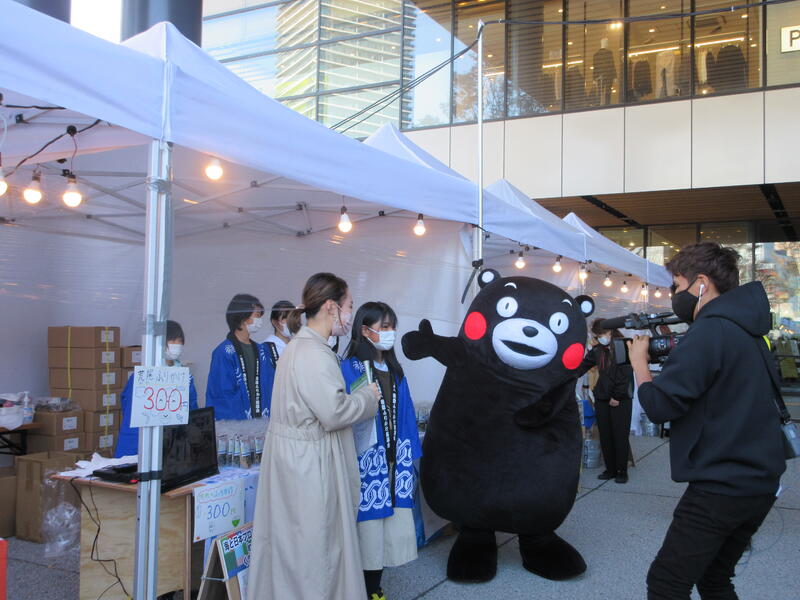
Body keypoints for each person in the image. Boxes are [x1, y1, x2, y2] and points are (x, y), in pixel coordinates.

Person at [628, 242, 786, 600]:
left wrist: (639, 364)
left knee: (666, 584)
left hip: (722, 484)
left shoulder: (710, 330)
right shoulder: (749, 329)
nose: (673, 295)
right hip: (760, 480)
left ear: (701, 283)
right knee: (715, 579)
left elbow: (660, 405)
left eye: (677, 285)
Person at [248, 273, 380, 600]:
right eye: (349, 306)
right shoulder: (312, 352)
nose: (350, 315)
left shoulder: (300, 347)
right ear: (331, 307)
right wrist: (368, 398)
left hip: (296, 458)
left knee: (295, 546)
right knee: (316, 548)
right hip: (309, 464)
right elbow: (334, 412)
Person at [341, 302, 422, 600]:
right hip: (365, 461)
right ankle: (365, 589)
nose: (390, 333)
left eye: (392, 327)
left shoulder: (395, 370)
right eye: (384, 327)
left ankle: (375, 587)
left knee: (389, 528)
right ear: (365, 330)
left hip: (393, 459)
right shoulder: (350, 368)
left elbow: (406, 413)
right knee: (368, 530)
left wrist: (407, 454)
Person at [115, 320, 198, 457]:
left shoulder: (185, 377)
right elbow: (130, 410)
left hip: (174, 444)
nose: (176, 344)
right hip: (140, 443)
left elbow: (192, 409)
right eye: (172, 340)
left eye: (179, 341)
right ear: (160, 343)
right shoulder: (144, 376)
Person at [576, 319, 634, 483]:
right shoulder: (598, 350)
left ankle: (622, 470)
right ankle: (610, 469)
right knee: (605, 434)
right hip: (602, 397)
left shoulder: (624, 346)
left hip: (621, 399)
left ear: (610, 331)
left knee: (620, 434)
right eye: (597, 336)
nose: (599, 338)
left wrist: (617, 396)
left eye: (601, 334)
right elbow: (583, 365)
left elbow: (626, 374)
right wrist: (566, 374)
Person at [206, 294, 275, 420]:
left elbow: (269, 386)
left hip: (262, 424)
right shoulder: (223, 352)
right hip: (236, 427)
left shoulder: (262, 351)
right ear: (243, 316)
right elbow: (222, 394)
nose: (260, 320)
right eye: (257, 315)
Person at [263, 300, 296, 366]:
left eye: (292, 318)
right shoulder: (266, 348)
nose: (290, 322)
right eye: (285, 318)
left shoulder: (297, 344)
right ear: (274, 322)